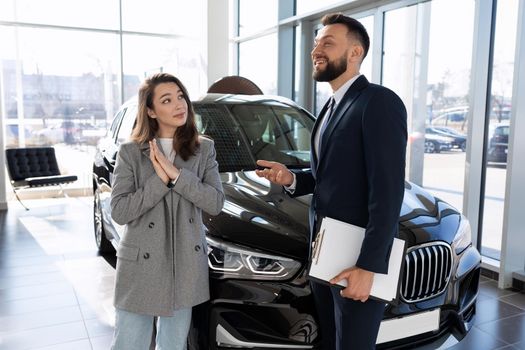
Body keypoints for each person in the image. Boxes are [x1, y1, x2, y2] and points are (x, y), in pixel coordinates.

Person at [256, 13, 407, 350]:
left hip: (356, 260)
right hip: (326, 255)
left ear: (355, 53)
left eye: (327, 43)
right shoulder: (329, 107)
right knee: (332, 341)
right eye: (315, 43)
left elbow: (387, 192)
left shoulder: (378, 102)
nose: (316, 50)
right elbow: (332, 176)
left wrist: (369, 267)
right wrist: (292, 178)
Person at [109, 73, 225, 350]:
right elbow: (120, 210)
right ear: (150, 111)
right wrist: (160, 182)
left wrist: (177, 176)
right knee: (129, 344)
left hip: (183, 264)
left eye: (181, 96)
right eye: (167, 100)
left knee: (173, 345)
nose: (178, 104)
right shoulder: (130, 153)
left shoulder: (203, 149)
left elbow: (215, 202)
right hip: (140, 264)